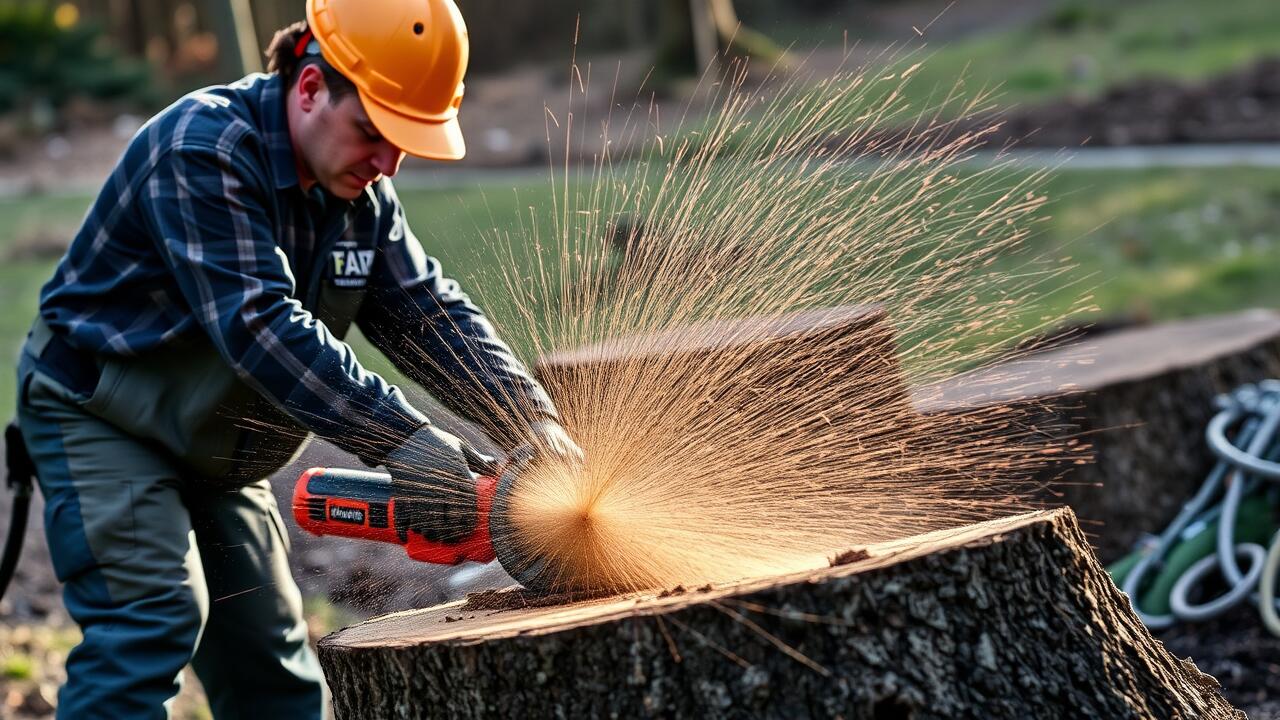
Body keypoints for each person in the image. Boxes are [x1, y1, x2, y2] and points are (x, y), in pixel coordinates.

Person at [12, 0, 579, 717]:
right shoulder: (203, 149)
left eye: (404, 142)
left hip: (217, 445)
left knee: (269, 665)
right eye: (373, 131)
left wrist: (532, 421)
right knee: (150, 620)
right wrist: (404, 441)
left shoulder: (360, 196)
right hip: (104, 417)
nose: (389, 163)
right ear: (310, 87)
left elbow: (426, 312)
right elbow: (259, 325)